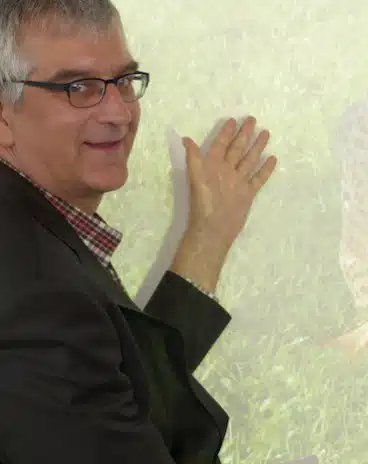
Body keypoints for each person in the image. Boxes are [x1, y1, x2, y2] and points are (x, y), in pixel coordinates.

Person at [0, 0, 277, 463]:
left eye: (124, 81)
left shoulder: (31, 235)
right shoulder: (35, 292)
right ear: (4, 119)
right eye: (79, 87)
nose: (119, 113)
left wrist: (206, 239)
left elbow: (124, 393)